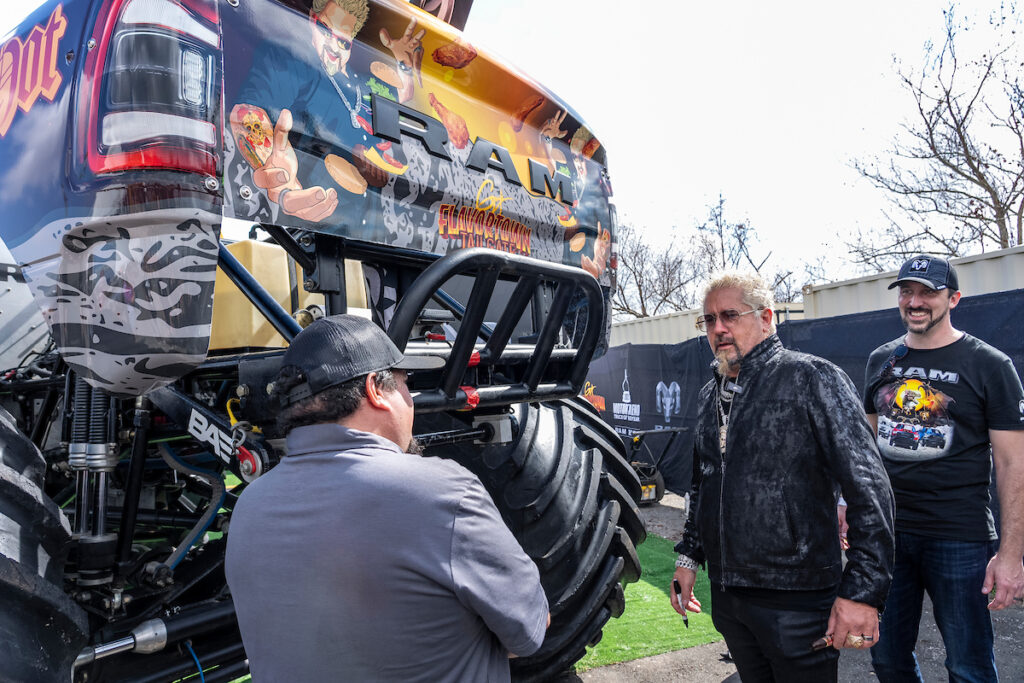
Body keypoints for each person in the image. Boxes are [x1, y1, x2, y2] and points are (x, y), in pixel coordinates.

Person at [225, 315, 549, 681]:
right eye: (404, 386)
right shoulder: (443, 492)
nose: (410, 400)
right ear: (376, 390)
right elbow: (529, 630)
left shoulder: (249, 507)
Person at [672, 271, 895, 683]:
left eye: (730, 315)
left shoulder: (813, 378)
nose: (718, 328)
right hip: (729, 597)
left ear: (766, 318)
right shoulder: (709, 394)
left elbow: (870, 490)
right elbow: (703, 483)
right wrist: (689, 559)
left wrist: (863, 593)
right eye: (708, 319)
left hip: (797, 601)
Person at [862, 254, 1024, 682]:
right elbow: (864, 449)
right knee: (886, 659)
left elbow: (1013, 464)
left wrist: (1010, 555)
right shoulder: (881, 359)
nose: (915, 301)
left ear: (953, 298)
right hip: (889, 535)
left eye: (928, 293)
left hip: (960, 536)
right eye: (907, 292)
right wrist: (848, 503)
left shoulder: (989, 364)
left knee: (968, 666)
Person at [229, 0, 423, 222]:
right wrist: (280, 180)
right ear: (313, 20)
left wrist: (402, 65)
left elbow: (403, 94)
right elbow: (248, 113)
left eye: (343, 42)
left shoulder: (365, 87)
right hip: (306, 232)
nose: (332, 46)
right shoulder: (295, 61)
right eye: (325, 30)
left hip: (368, 233)